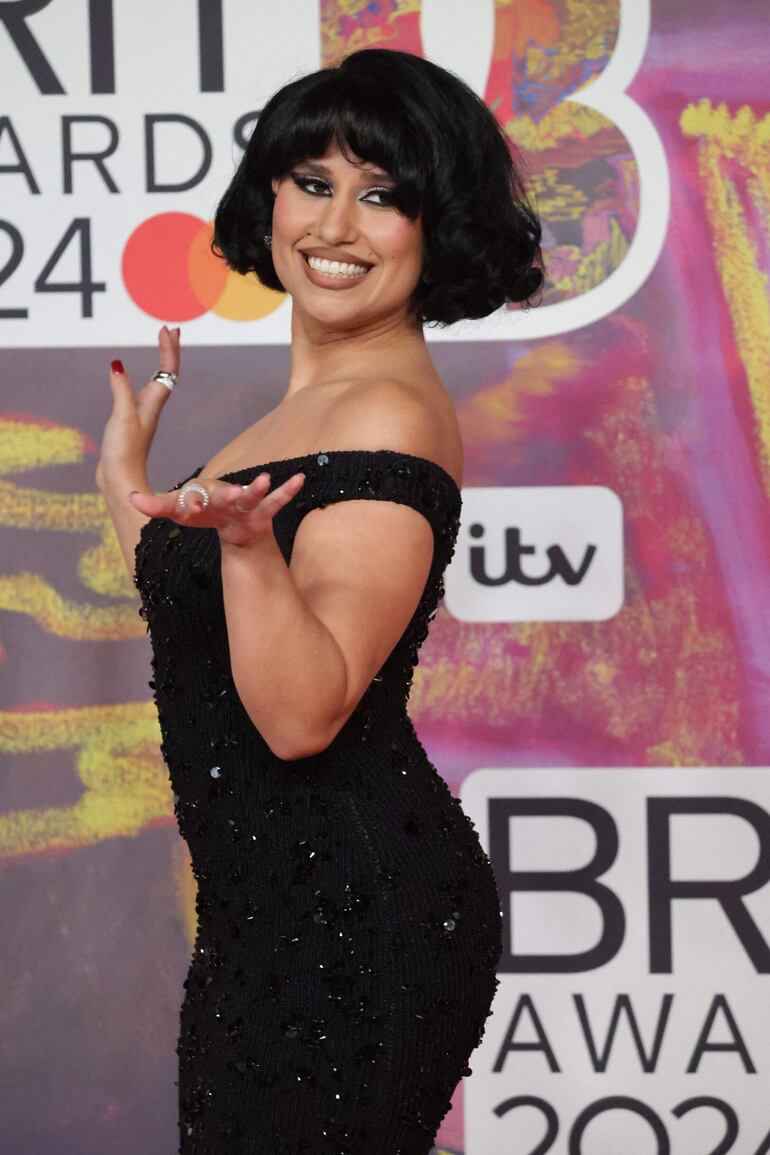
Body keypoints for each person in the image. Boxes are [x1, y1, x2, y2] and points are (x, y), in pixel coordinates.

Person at [97, 46, 543, 1155]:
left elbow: (299, 717)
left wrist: (246, 550)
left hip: (349, 914)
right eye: (312, 182)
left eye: (381, 195)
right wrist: (127, 486)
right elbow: (197, 628)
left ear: (437, 226)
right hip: (269, 915)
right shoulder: (292, 417)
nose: (335, 226)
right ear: (270, 196)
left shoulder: (386, 414)